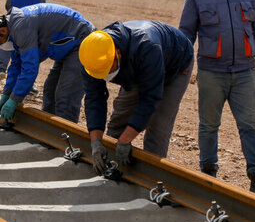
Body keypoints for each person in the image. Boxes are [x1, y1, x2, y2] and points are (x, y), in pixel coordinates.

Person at [179, 0, 255, 194]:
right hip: (211, 74)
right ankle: (208, 174)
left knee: (251, 125)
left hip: (244, 73)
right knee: (209, 125)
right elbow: (185, 35)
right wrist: (182, 67)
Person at [79, 21, 193, 175]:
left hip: (176, 64)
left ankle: (152, 179)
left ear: (117, 53)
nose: (104, 76)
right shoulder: (92, 57)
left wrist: (125, 140)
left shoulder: (147, 47)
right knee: (119, 119)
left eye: (106, 70)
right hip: (137, 68)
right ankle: (111, 167)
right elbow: (94, 98)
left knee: (158, 125)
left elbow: (150, 98)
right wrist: (96, 142)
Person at [0, 3, 94, 122]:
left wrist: (14, 100)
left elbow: (30, 68)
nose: (0, 45)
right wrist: (6, 95)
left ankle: (64, 136)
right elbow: (17, 65)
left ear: (2, 30)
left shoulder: (21, 28)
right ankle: (49, 131)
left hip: (82, 42)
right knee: (50, 91)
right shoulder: (14, 30)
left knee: (66, 96)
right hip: (66, 47)